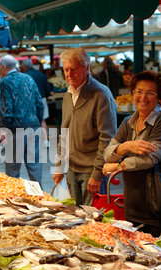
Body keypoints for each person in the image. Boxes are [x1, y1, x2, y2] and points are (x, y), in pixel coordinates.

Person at [103, 70, 161, 252]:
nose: (143, 97)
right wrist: (126, 146)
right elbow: (107, 154)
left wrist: (118, 165)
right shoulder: (127, 123)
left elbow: (150, 159)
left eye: (150, 93)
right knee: (140, 262)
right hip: (134, 205)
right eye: (139, 91)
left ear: (159, 97)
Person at [53, 48, 117, 206]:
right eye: (66, 70)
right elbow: (64, 133)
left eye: (73, 69)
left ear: (87, 68)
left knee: (92, 219)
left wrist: (97, 174)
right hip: (71, 169)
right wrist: (60, 166)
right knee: (74, 216)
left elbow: (107, 138)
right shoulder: (68, 95)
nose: (68, 74)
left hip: (90, 170)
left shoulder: (101, 94)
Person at [0, 55, 44, 186]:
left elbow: (7, 108)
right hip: (33, 126)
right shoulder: (29, 78)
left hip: (16, 128)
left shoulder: (5, 81)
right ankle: (38, 195)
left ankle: (13, 195)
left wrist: (3, 129)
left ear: (4, 67)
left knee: (13, 166)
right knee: (34, 163)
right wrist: (37, 122)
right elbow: (39, 103)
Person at [20, 58, 52, 148]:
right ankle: (46, 141)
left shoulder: (24, 76)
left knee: (30, 120)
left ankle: (32, 142)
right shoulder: (41, 74)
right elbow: (48, 89)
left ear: (24, 66)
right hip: (42, 99)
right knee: (42, 120)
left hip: (29, 100)